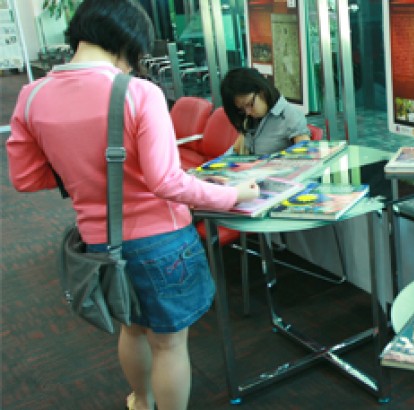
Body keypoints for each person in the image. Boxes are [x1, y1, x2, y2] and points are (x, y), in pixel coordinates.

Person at [5, 1, 260, 409]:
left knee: (133, 328)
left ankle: (141, 401)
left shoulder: (31, 97)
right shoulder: (138, 92)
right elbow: (165, 181)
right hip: (162, 242)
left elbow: (26, 178)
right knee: (170, 344)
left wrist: (85, 171)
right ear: (126, 42)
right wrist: (234, 194)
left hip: (99, 243)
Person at [220, 67, 310, 155]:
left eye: (250, 104)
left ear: (262, 91)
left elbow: (305, 158)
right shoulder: (250, 120)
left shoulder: (290, 116)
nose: (247, 112)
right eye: (242, 109)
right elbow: (233, 152)